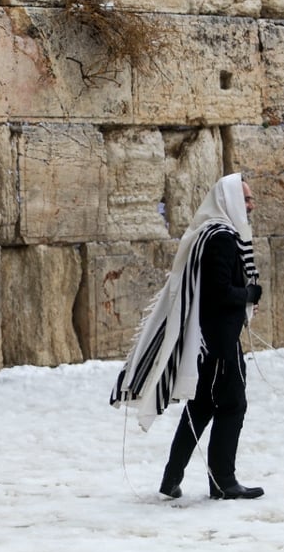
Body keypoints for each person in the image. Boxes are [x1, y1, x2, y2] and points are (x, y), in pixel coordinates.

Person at [110, 173, 265, 501]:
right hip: (219, 341)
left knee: (202, 405)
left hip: (206, 339)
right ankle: (224, 481)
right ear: (230, 201)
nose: (251, 205)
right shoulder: (221, 237)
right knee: (232, 405)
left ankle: (171, 478)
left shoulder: (207, 233)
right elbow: (218, 291)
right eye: (246, 199)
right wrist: (250, 293)